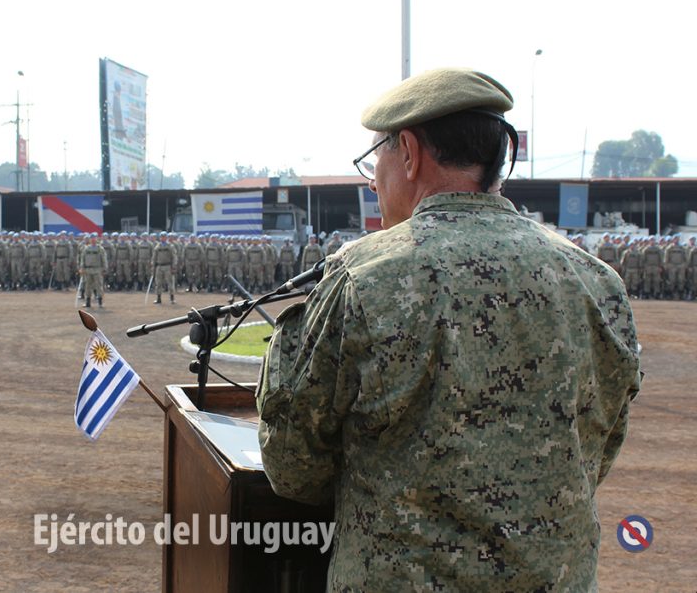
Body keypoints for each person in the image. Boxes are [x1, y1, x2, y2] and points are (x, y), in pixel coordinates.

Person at [256, 68, 642, 591]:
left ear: (409, 153)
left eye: (373, 160)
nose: (372, 181)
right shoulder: (596, 282)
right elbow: (597, 449)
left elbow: (293, 466)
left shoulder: (364, 277)